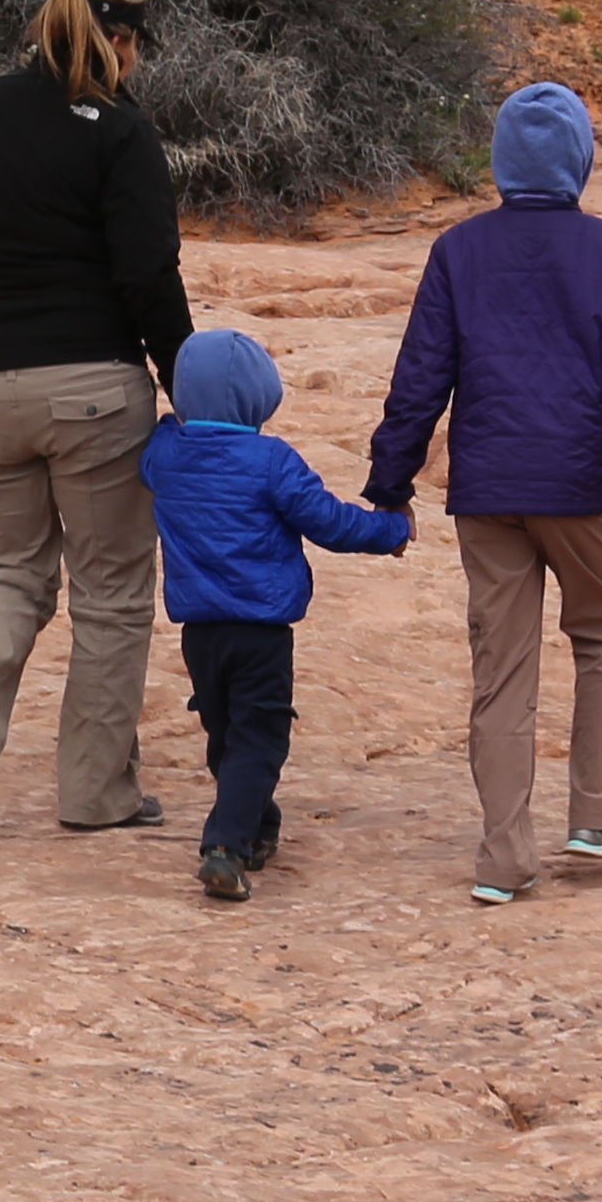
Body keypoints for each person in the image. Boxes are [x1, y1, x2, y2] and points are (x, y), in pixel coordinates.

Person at [359, 82, 602, 906]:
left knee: (501, 671)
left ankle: (503, 860)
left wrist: (389, 489)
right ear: (579, 160)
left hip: (486, 492)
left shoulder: (457, 250)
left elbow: (418, 384)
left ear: (501, 161)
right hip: (576, 487)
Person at [0, 0, 196, 837]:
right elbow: (148, 272)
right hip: (93, 390)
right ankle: (96, 794)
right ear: (127, 38)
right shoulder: (122, 130)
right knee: (109, 591)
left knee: (8, 570)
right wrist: (187, 381)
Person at [135, 328, 412, 907]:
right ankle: (226, 847)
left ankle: (259, 827)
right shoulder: (271, 461)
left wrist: (172, 417)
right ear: (262, 398)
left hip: (200, 632)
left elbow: (157, 440)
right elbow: (331, 523)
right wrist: (390, 529)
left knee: (226, 732)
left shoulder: (166, 454)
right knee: (260, 738)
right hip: (260, 630)